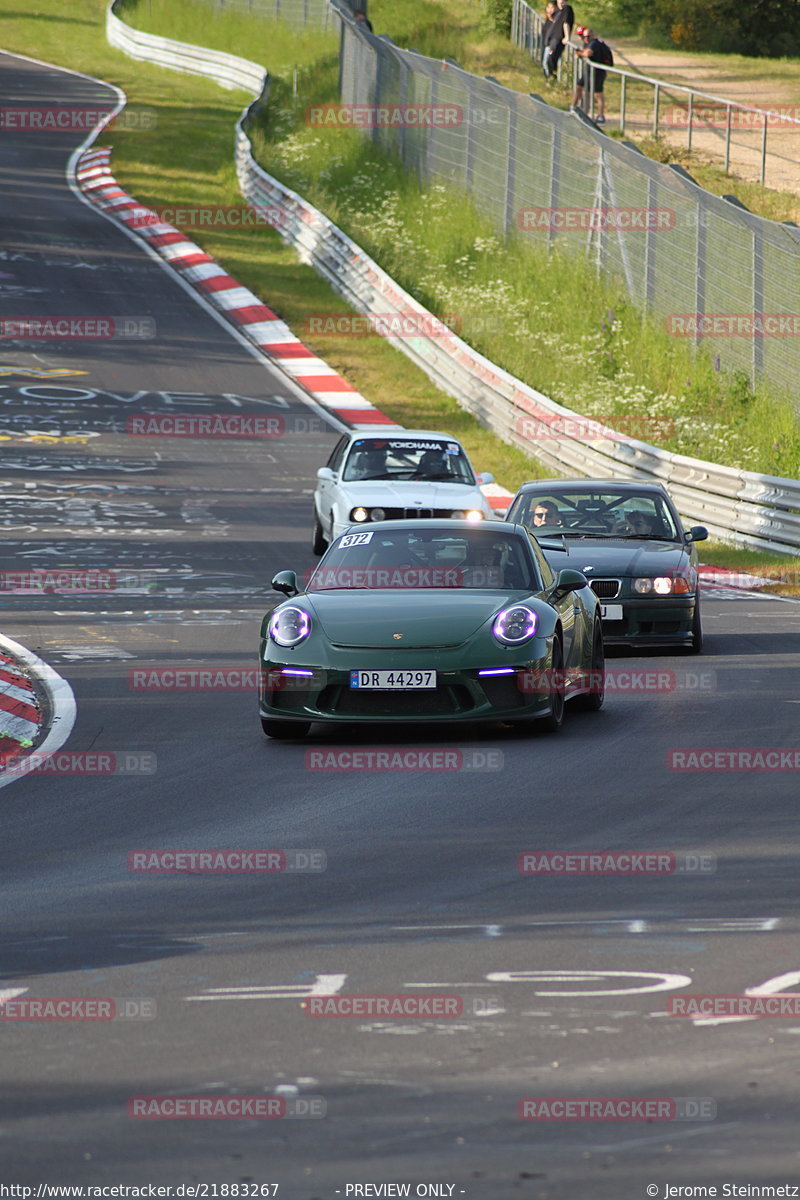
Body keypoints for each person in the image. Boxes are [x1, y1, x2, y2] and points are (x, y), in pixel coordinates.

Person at [572, 26, 613, 124]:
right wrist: (582, 52)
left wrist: (580, 54)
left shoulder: (594, 43)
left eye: (588, 37)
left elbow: (588, 53)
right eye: (584, 36)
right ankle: (574, 107)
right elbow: (584, 51)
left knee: (597, 94)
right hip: (589, 72)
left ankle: (600, 116)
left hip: (598, 73)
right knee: (579, 86)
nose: (585, 38)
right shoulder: (587, 43)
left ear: (592, 36)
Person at [543, 0, 574, 81]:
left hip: (557, 40)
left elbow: (566, 23)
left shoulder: (567, 9)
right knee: (546, 62)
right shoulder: (558, 11)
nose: (561, 3)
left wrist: (567, 37)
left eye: (563, 1)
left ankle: (552, 79)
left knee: (551, 59)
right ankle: (550, 78)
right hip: (551, 40)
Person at [541, 3, 557, 77]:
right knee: (544, 63)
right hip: (546, 44)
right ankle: (548, 77)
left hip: (551, 45)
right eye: (548, 7)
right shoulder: (547, 21)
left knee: (547, 63)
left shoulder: (556, 22)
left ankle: (550, 78)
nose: (550, 10)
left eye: (552, 8)